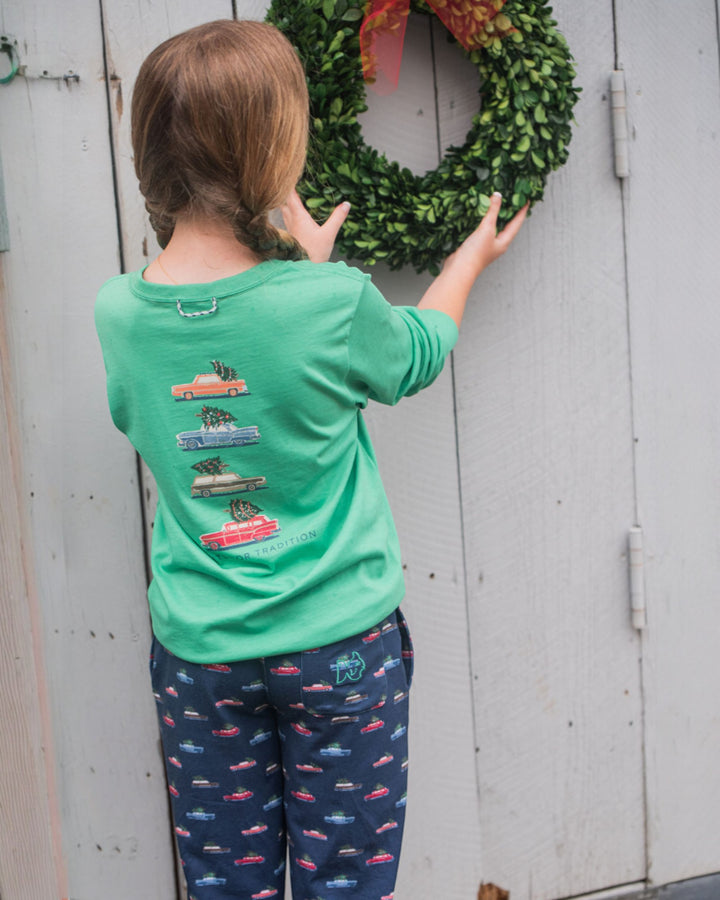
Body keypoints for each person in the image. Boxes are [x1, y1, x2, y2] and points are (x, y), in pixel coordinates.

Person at [95, 18, 527, 900]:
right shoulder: (328, 302)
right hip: (339, 652)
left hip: (202, 659)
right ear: (274, 151)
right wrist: (467, 259)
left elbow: (155, 418)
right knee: (345, 885)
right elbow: (413, 353)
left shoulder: (118, 313)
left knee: (225, 883)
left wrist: (294, 282)